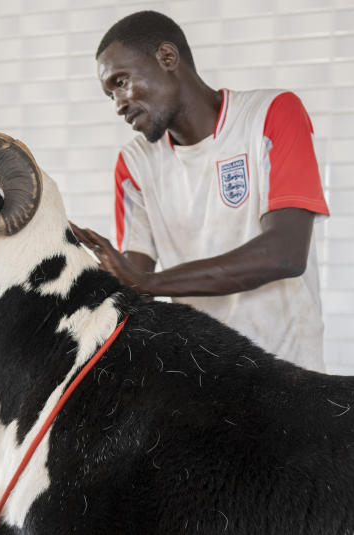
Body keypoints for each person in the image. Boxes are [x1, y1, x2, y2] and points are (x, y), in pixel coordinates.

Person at [72, 10, 330, 372]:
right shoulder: (134, 163)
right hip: (200, 375)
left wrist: (150, 281)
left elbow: (286, 253)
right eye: (109, 93)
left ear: (166, 57)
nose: (118, 105)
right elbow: (134, 276)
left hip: (287, 371)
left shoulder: (271, 114)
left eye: (121, 81)